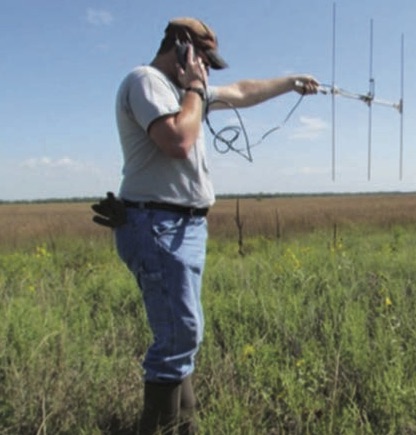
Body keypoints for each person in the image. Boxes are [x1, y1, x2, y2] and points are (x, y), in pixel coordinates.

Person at [94, 17, 319, 434]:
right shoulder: (147, 82)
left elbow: (240, 91)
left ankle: (183, 427)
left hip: (183, 226)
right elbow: (178, 140)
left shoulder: (185, 92)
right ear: (182, 49)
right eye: (204, 60)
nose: (208, 71)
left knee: (184, 335)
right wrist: (196, 89)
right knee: (178, 335)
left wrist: (290, 82)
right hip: (157, 224)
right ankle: (162, 427)